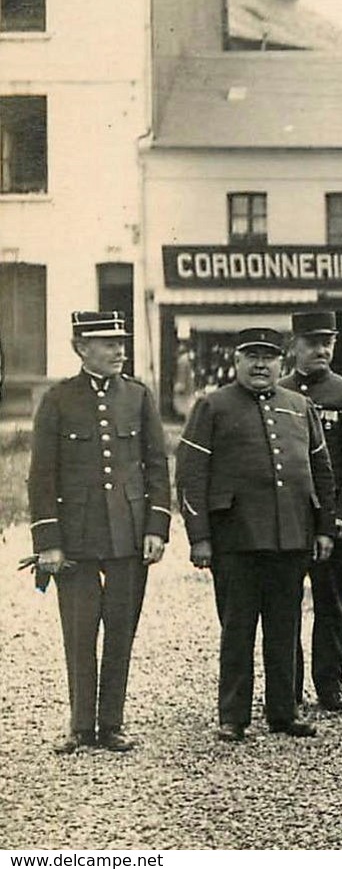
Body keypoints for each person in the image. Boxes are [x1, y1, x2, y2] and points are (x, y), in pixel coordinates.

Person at [177, 326, 338, 742]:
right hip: (236, 541)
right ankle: (233, 715)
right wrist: (200, 537)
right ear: (237, 362)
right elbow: (191, 476)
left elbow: (321, 472)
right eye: (252, 356)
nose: (261, 365)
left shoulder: (300, 407)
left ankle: (284, 712)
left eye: (269, 357)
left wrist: (323, 529)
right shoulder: (212, 407)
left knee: (285, 630)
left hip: (290, 538)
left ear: (281, 363)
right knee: (237, 629)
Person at [27, 311, 170, 753]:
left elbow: (157, 467)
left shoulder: (139, 397)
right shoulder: (57, 400)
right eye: (107, 343)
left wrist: (157, 527)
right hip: (77, 535)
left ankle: (111, 724)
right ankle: (80, 725)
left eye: (121, 342)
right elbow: (41, 476)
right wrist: (48, 543)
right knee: (79, 629)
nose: (119, 350)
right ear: (80, 348)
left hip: (128, 534)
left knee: (121, 629)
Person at [282, 310, 342, 713]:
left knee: (331, 602)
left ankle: (330, 685)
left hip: (331, 519)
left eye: (327, 341)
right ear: (294, 346)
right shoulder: (279, 393)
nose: (322, 350)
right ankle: (288, 687)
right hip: (290, 520)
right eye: (312, 342)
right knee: (286, 603)